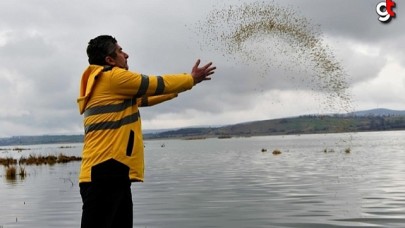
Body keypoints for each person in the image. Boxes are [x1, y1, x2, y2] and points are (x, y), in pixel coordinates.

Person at [77, 35, 216, 228]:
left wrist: (184, 87)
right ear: (109, 60)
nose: (126, 54)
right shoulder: (112, 77)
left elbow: (147, 97)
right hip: (105, 171)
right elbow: (154, 84)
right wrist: (190, 79)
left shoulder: (109, 87)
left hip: (112, 172)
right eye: (119, 51)